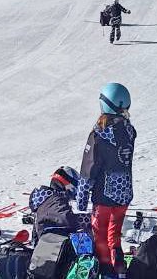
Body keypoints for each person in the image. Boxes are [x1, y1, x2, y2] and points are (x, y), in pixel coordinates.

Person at [77, 83, 136, 279]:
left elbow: (88, 170)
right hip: (124, 193)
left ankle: (106, 272)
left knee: (100, 236)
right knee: (114, 235)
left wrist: (82, 199)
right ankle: (119, 269)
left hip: (104, 195)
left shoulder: (98, 135)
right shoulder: (129, 131)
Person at [28, 166, 89, 242]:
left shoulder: (46, 199)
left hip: (48, 245)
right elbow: (67, 219)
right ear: (68, 184)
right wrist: (89, 219)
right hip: (54, 247)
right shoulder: (55, 199)